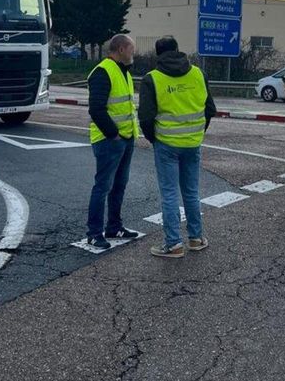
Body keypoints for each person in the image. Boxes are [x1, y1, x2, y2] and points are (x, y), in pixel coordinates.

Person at [139, 36, 218, 258]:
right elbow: (210, 109)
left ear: (157, 54)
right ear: (177, 50)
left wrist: (154, 139)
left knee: (170, 193)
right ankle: (196, 238)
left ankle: (173, 244)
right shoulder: (198, 74)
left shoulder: (152, 79)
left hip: (166, 144)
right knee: (191, 192)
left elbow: (145, 117)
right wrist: (198, 133)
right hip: (193, 143)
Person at [84, 35, 141, 249]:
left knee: (119, 185)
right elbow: (96, 109)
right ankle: (94, 232)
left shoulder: (123, 71)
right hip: (110, 140)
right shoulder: (103, 72)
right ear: (121, 49)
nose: (133, 54)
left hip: (125, 139)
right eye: (131, 50)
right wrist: (113, 134)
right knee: (103, 187)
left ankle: (114, 227)